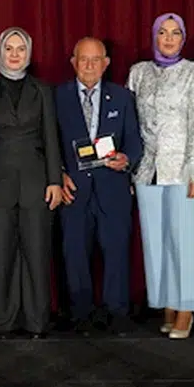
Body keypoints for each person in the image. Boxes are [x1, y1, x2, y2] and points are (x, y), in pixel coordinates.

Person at [0, 27, 63, 339]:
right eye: (9, 48)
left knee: (36, 252)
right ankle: (5, 320)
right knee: (1, 253)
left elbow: (51, 138)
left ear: (29, 53)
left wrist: (55, 180)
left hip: (36, 181)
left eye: (20, 49)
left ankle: (37, 321)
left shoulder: (42, 90)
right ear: (0, 52)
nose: (14, 54)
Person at [127, 12, 194, 340]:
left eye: (175, 33)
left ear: (183, 38)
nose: (169, 38)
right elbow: (130, 123)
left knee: (183, 243)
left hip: (182, 170)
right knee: (156, 243)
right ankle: (167, 306)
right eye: (162, 32)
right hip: (148, 170)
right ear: (154, 36)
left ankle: (185, 310)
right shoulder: (138, 72)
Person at [55, 36, 142, 335]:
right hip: (73, 189)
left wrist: (127, 159)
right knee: (75, 253)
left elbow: (135, 141)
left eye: (96, 60)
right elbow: (48, 142)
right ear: (73, 63)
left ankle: (117, 313)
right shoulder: (57, 97)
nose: (89, 65)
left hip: (112, 187)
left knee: (116, 252)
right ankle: (80, 314)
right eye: (84, 59)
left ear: (106, 64)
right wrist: (58, 174)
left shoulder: (122, 97)